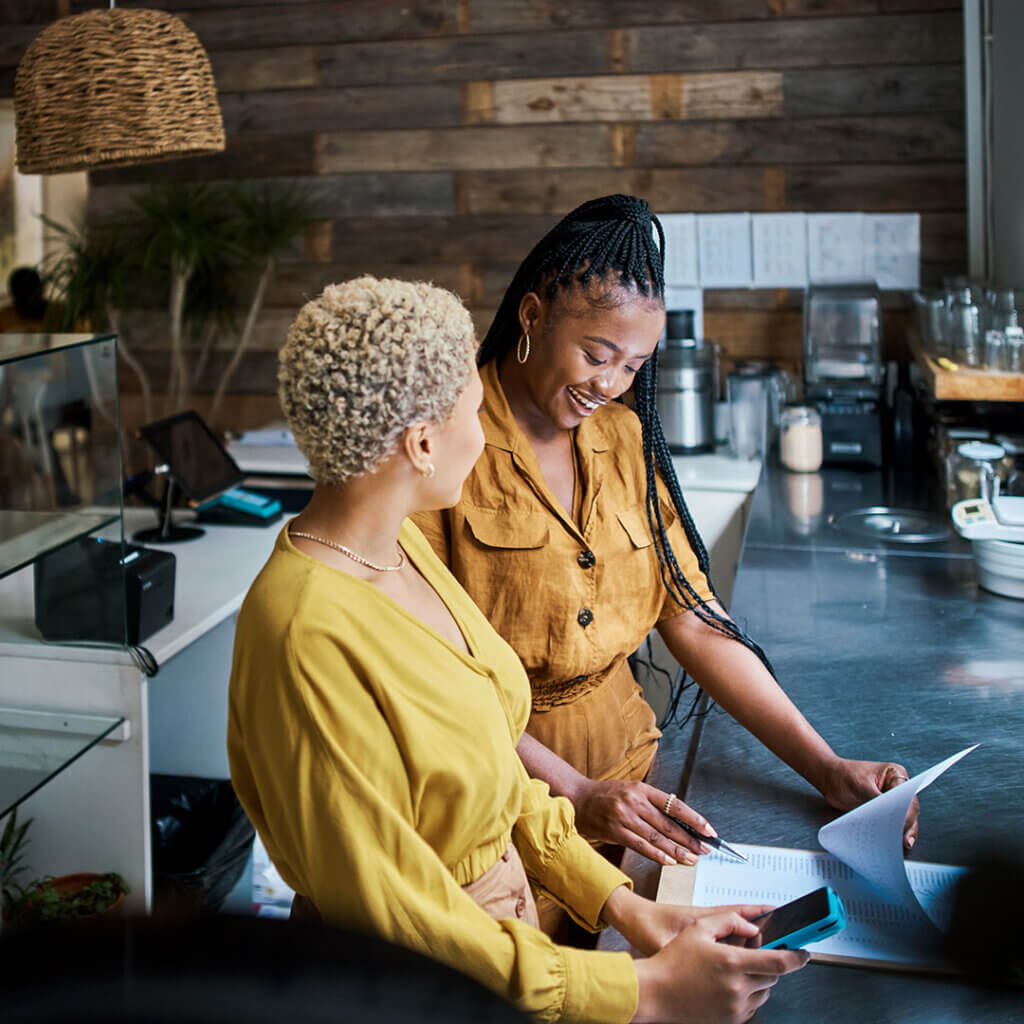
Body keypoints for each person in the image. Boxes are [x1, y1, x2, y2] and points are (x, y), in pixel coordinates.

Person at [227, 276, 808, 1024]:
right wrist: (648, 993)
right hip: (415, 990)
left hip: (498, 959)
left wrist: (629, 909)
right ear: (423, 443)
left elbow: (490, 774)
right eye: (475, 410)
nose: (488, 431)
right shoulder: (304, 632)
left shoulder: (395, 546)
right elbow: (403, 919)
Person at [412, 195, 919, 877]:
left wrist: (827, 768)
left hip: (632, 781)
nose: (611, 383)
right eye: (598, 354)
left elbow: (696, 619)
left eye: (633, 365)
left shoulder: (624, 439)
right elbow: (430, 680)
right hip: (500, 802)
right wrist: (579, 795)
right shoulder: (444, 444)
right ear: (532, 316)